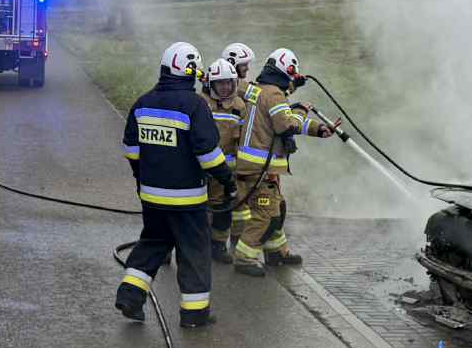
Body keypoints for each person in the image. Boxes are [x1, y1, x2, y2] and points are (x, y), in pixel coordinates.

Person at [119, 43, 234, 328]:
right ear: (190, 70)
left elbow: (131, 149)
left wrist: (142, 177)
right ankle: (194, 314)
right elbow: (207, 153)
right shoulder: (195, 105)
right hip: (187, 200)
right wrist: (227, 180)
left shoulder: (142, 103)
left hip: (151, 197)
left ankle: (130, 296)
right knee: (194, 252)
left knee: (153, 243)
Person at [231, 47, 336, 277]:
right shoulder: (275, 95)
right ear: (287, 71)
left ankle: (277, 252)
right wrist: (301, 110)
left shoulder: (260, 90)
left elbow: (284, 117)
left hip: (254, 167)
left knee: (277, 209)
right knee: (266, 216)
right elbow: (286, 125)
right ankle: (244, 258)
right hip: (260, 168)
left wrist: (319, 129)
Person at [203, 59, 247, 264]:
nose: (226, 87)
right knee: (196, 209)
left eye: (229, 82)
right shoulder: (201, 102)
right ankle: (193, 244)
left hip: (225, 171)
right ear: (211, 84)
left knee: (223, 209)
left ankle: (218, 245)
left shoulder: (238, 106)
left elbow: (242, 138)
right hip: (201, 167)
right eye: (221, 83)